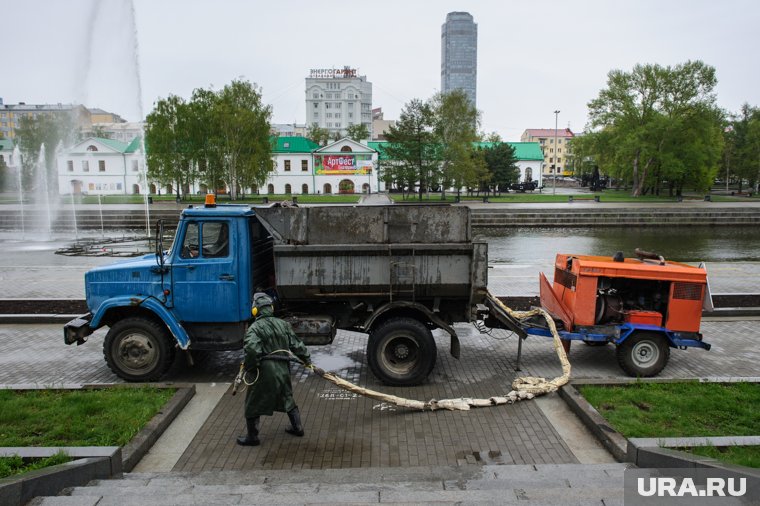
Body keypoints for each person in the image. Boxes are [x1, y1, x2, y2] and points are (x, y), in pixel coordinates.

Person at [237, 292, 311, 446]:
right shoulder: (283, 324)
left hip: (263, 372)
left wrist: (251, 368)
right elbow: (297, 345)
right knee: (287, 397)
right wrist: (307, 360)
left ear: (255, 310)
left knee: (252, 403)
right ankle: (297, 428)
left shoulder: (254, 328)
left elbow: (251, 350)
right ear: (271, 308)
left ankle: (252, 437)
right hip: (282, 370)